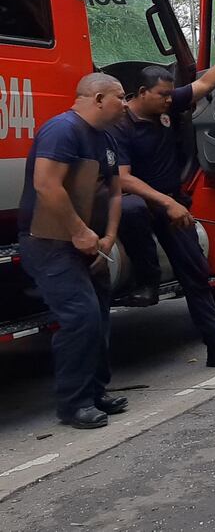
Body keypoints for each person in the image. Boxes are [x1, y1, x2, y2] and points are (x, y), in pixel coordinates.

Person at [109, 41, 215, 371]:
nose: (169, 101)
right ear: (141, 93)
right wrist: (165, 202)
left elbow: (204, 85)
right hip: (145, 203)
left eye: (170, 95)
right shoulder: (119, 125)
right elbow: (122, 179)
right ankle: (147, 280)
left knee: (196, 274)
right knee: (131, 208)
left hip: (173, 207)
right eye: (162, 95)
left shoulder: (165, 106)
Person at [18, 73, 127, 429]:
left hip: (90, 242)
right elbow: (46, 185)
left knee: (100, 315)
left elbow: (114, 191)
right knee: (81, 316)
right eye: (120, 97)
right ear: (98, 99)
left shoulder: (105, 138)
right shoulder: (62, 130)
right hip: (49, 242)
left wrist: (108, 236)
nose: (125, 104)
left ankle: (95, 392)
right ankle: (74, 404)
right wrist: (79, 232)